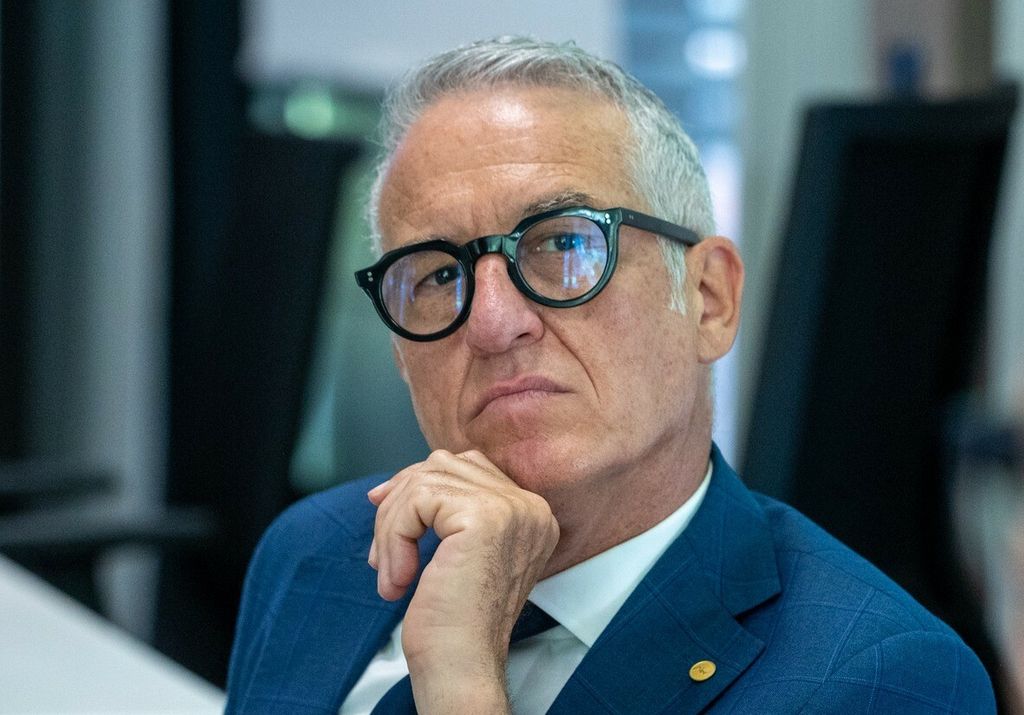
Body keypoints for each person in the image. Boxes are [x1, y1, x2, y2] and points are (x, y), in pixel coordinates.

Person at [225, 37, 995, 713]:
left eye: (564, 245)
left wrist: (459, 680)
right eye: (436, 275)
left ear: (709, 299)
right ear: (400, 350)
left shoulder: (876, 678)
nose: (492, 322)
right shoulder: (319, 553)